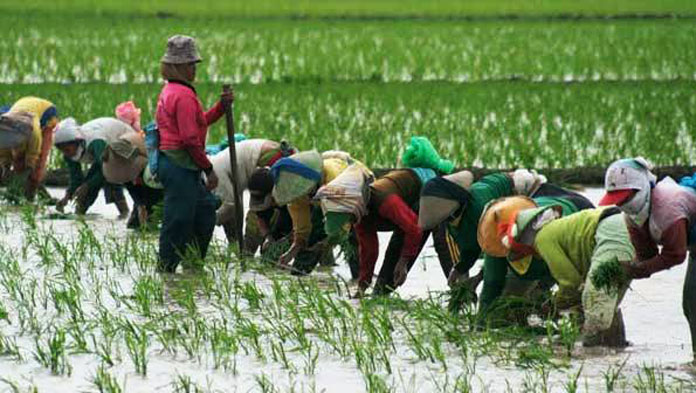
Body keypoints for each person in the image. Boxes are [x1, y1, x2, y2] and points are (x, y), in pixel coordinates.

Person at [418, 170, 594, 289]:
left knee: (532, 255)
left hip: (529, 191)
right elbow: (470, 246)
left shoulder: (479, 211)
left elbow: (499, 252)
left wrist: (479, 279)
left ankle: (541, 296)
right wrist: (460, 268)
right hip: (510, 207)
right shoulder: (453, 220)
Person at [599, 158, 696, 360]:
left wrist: (641, 269)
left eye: (626, 198)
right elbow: (647, 255)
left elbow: (676, 254)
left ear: (641, 189)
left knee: (693, 302)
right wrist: (628, 267)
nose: (622, 204)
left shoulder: (668, 207)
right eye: (618, 201)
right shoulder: (632, 216)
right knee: (690, 304)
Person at [155, 34, 231, 272]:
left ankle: (193, 265)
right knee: (177, 220)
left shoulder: (173, 91)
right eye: (189, 65)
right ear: (177, 67)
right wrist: (209, 170)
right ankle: (165, 271)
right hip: (180, 165)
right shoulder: (183, 95)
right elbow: (189, 139)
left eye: (194, 64)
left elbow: (199, 124)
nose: (193, 69)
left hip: (178, 163)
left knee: (205, 211)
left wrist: (221, 108)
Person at [317, 165, 448, 296]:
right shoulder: (360, 216)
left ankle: (459, 290)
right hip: (407, 213)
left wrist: (403, 262)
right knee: (381, 290)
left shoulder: (386, 201)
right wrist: (362, 287)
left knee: (443, 245)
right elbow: (369, 250)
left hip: (432, 191)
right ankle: (380, 291)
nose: (350, 223)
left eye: (348, 218)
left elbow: (414, 228)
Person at [265, 150, 365, 275]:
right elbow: (302, 228)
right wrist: (292, 251)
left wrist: (326, 243)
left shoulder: (335, 178)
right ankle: (300, 276)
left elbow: (344, 225)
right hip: (323, 202)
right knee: (305, 255)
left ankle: (360, 281)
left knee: (353, 240)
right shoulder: (296, 190)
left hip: (354, 200)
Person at [208, 139, 296, 247]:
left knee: (259, 221)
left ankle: (249, 253)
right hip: (269, 161)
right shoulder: (217, 166)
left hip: (270, 164)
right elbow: (235, 207)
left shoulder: (214, 173)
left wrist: (208, 222)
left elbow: (231, 206)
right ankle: (242, 252)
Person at [53, 117, 132, 217]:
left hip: (123, 142)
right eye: (62, 150)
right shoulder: (68, 154)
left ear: (76, 142)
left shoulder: (95, 142)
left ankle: (124, 213)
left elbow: (107, 168)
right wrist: (67, 196)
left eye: (67, 149)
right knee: (89, 184)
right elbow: (76, 178)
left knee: (109, 180)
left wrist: (86, 186)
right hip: (106, 154)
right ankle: (79, 215)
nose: (66, 153)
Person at [100, 129, 164, 229]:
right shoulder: (121, 167)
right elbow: (132, 190)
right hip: (142, 179)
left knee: (152, 205)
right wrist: (140, 206)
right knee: (135, 223)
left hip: (153, 177)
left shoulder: (145, 156)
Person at [0, 97, 59, 200]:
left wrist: (30, 166)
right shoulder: (4, 132)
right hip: (19, 113)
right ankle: (26, 194)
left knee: (38, 165)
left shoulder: (32, 129)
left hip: (47, 113)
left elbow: (35, 152)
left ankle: (30, 197)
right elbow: (4, 151)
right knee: (18, 162)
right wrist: (6, 166)